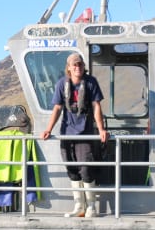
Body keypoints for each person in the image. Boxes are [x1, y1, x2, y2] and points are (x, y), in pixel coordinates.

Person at [40, 52, 108, 217]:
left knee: (86, 169)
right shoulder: (61, 84)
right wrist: (49, 129)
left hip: (85, 133)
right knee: (72, 169)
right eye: (75, 65)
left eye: (80, 65)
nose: (78, 67)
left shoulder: (91, 83)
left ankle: (91, 206)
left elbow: (96, 106)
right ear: (69, 68)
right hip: (67, 133)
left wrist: (100, 129)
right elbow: (57, 108)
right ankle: (79, 206)